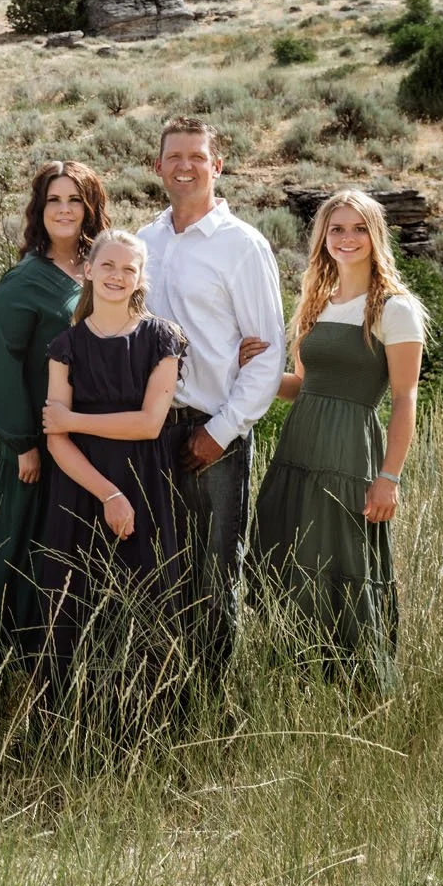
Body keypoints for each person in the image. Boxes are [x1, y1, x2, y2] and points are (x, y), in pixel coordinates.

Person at [254, 191, 425, 692]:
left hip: (350, 454)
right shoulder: (315, 304)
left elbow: (404, 399)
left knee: (344, 565)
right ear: (322, 238)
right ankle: (299, 682)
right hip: (298, 451)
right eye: (336, 229)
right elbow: (302, 388)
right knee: (293, 561)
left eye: (358, 229)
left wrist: (389, 477)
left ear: (376, 236)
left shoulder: (395, 309)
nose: (346, 239)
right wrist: (249, 370)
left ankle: (361, 691)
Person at [138, 117, 285, 688]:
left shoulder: (242, 245)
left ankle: (212, 698)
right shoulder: (145, 243)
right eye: (174, 156)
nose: (185, 166)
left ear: (216, 166)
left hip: (211, 428)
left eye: (197, 156)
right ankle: (160, 691)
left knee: (215, 567)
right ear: (158, 168)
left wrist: (221, 432)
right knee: (157, 566)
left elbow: (268, 354)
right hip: (147, 429)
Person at [0, 161, 107, 683]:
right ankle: (7, 671)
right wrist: (23, 442)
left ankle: (78, 668)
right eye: (54, 199)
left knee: (80, 557)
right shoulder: (24, 281)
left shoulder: (105, 269)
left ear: (91, 207)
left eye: (76, 199)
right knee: (23, 549)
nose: (65, 209)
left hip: (98, 442)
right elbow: (0, 365)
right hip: (37, 448)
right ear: (39, 209)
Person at [36, 232, 187, 705]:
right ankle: (76, 726)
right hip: (81, 487)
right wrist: (107, 495)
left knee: (143, 598)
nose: (117, 276)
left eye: (129, 269)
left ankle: (144, 725)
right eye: (108, 266)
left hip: (145, 484)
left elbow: (148, 424)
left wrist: (75, 419)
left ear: (141, 277)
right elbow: (55, 440)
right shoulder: (65, 346)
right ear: (89, 271)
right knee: (75, 599)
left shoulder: (163, 338)